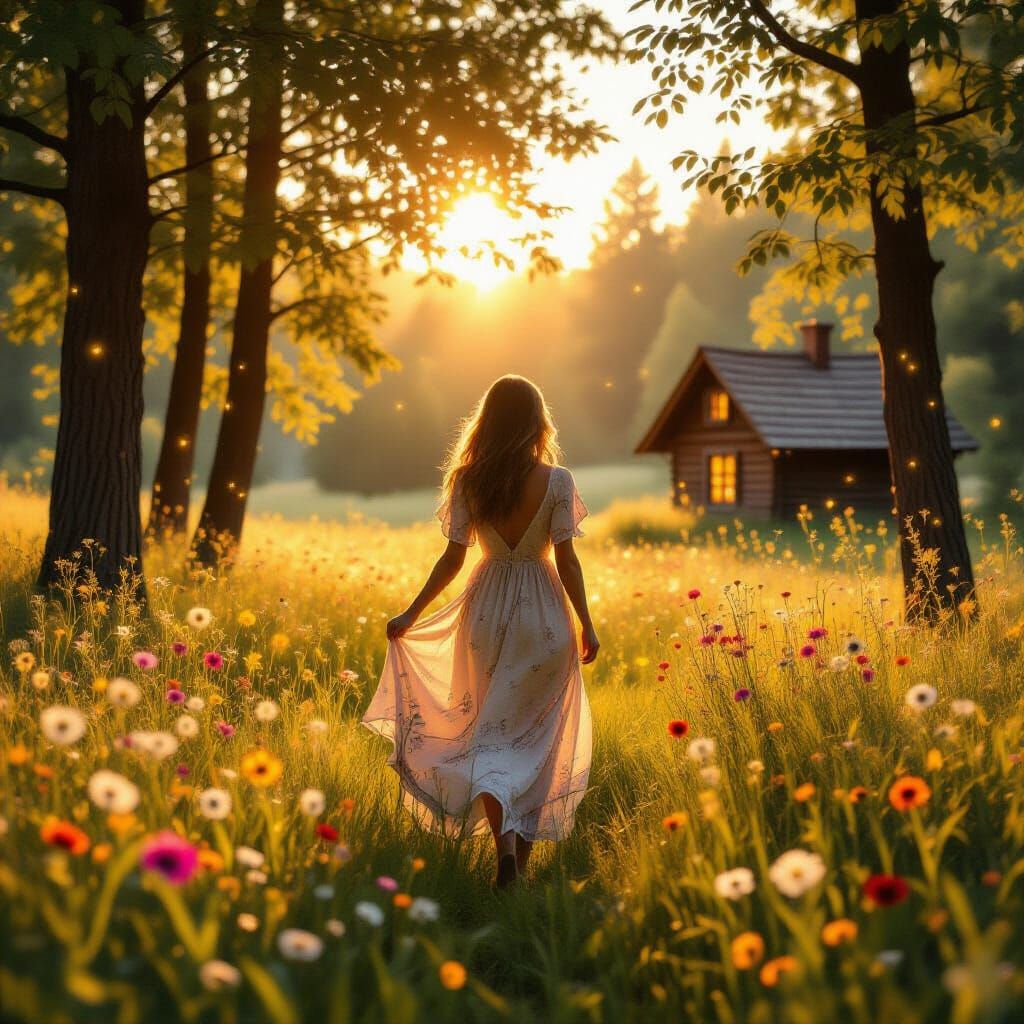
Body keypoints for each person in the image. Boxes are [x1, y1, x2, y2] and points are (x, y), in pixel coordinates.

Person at [362, 375, 598, 888]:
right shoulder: (557, 480)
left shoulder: (469, 480)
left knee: (489, 737)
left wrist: (412, 612)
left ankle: (505, 849)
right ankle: (521, 860)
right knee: (539, 740)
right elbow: (568, 559)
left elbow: (453, 559)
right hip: (544, 615)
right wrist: (587, 623)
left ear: (486, 422)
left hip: (485, 612)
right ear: (538, 421)